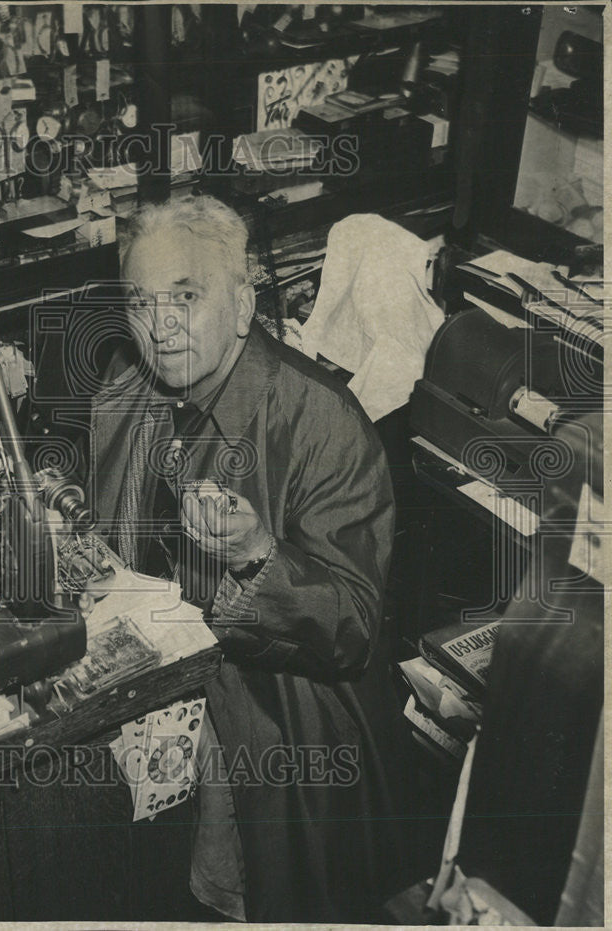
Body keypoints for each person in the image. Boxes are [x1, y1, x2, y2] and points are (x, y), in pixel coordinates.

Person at [87, 195, 405, 922]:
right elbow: (113, 535)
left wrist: (260, 553)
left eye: (184, 297)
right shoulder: (128, 379)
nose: (158, 326)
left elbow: (354, 626)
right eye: (140, 300)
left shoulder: (323, 421)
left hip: (278, 728)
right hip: (153, 695)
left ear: (240, 305)